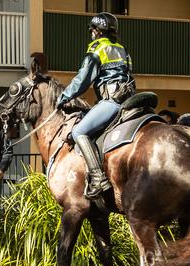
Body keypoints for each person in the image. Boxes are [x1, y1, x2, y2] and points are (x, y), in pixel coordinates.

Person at [56, 12, 135, 199]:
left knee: (78, 132)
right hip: (129, 99)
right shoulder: (122, 48)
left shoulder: (98, 47)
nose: (91, 31)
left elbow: (83, 80)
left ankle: (98, 178)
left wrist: (64, 97)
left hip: (112, 101)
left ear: (98, 31)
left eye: (92, 28)